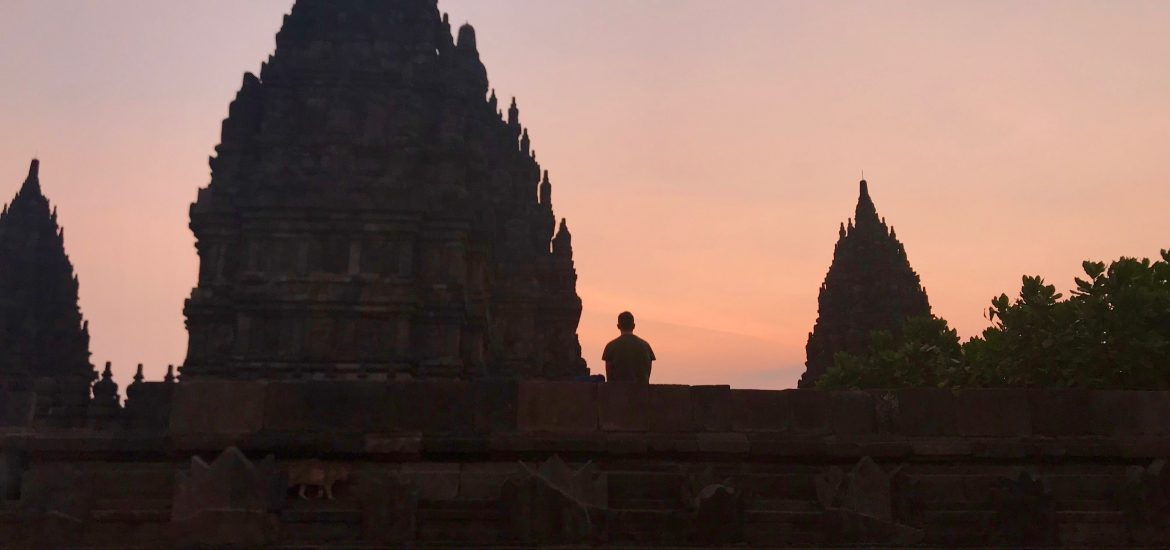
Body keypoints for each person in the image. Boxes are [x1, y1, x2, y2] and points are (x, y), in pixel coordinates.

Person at [602, 312, 656, 383]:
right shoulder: (646, 346)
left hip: (618, 390)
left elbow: (609, 377)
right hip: (642, 391)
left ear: (618, 326)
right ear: (633, 326)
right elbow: (647, 372)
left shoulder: (610, 346)